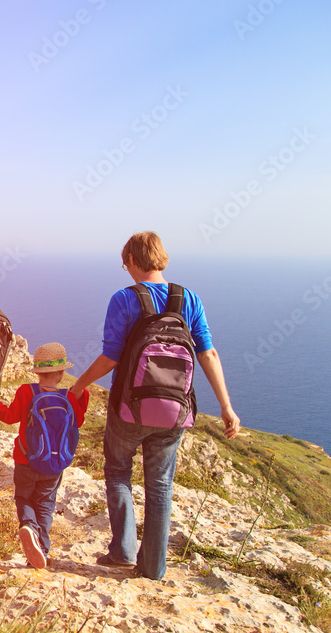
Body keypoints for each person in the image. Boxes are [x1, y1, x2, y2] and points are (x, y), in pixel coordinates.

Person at [69, 231, 240, 580]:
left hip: (129, 408)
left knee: (118, 471)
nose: (125, 268)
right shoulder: (188, 298)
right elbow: (207, 353)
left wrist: (80, 384)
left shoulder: (124, 299)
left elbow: (111, 356)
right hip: (174, 412)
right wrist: (226, 406)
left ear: (132, 260)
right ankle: (153, 568)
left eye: (125, 262)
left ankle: (122, 552)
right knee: (160, 484)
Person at [0, 342, 89, 569]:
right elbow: (79, 422)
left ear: (37, 372)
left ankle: (28, 525)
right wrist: (81, 395)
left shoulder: (26, 391)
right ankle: (42, 550)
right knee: (45, 504)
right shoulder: (68, 397)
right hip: (55, 464)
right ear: (61, 372)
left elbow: (9, 417)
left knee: (24, 498)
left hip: (26, 460)